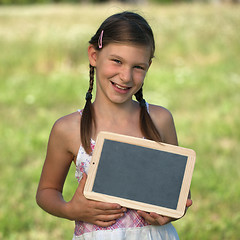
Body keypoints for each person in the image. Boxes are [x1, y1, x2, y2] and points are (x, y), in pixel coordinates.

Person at [36, 11, 192, 240]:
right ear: (93, 55)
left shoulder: (161, 120)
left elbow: (179, 192)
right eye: (117, 61)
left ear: (149, 66)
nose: (126, 76)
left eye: (138, 67)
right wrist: (71, 210)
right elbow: (46, 192)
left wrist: (172, 212)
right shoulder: (67, 129)